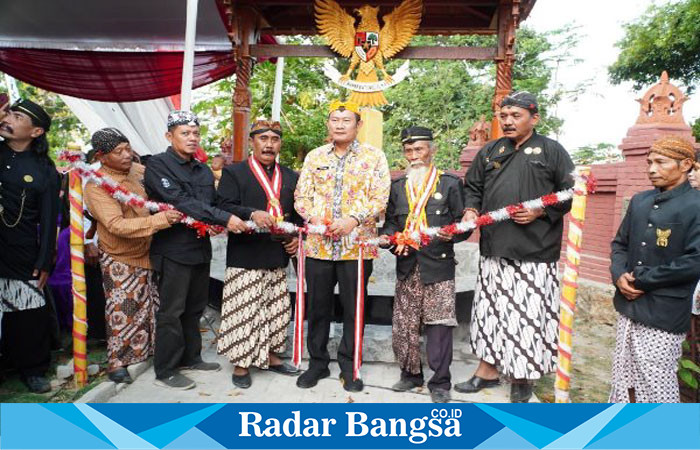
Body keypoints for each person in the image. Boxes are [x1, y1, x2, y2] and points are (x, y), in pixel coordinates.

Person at [458, 91, 575, 402]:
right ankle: (487, 371)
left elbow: (571, 193)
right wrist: (471, 209)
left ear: (534, 118)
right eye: (504, 116)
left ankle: (523, 377)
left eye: (515, 116)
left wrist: (541, 211)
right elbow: (473, 187)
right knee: (489, 313)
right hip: (494, 247)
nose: (507, 121)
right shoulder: (490, 150)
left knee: (526, 316)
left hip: (535, 251)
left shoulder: (552, 150)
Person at [144, 110, 248, 390]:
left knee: (194, 308)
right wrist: (222, 218)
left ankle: (192, 357)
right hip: (173, 249)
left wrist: (221, 219)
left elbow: (212, 203)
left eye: (195, 133)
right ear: (170, 136)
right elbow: (180, 201)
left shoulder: (202, 168)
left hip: (200, 249)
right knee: (172, 311)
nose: (192, 138)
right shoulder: (158, 165)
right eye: (185, 133)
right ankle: (166, 369)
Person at [294, 100, 391, 392]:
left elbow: (380, 197)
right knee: (318, 306)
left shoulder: (374, 158)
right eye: (334, 120)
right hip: (318, 246)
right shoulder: (314, 157)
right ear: (328, 124)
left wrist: (353, 219)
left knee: (353, 308)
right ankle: (317, 364)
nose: (339, 125)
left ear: (358, 125)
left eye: (346, 120)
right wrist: (313, 217)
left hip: (356, 247)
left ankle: (350, 367)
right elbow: (301, 196)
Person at [84, 128, 181, 384]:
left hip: (152, 250)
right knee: (123, 310)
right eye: (119, 152)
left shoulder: (140, 172)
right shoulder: (96, 185)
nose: (128, 155)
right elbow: (115, 225)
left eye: (128, 148)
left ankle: (148, 353)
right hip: (120, 255)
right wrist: (160, 220)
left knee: (151, 306)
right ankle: (117, 362)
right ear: (101, 156)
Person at [609, 136, 700, 403]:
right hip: (628, 305)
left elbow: (695, 260)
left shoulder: (696, 205)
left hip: (664, 311)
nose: (651, 168)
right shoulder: (640, 201)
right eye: (649, 162)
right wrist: (618, 275)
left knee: (656, 381)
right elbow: (619, 244)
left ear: (685, 165)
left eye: (661, 162)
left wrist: (642, 281)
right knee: (623, 379)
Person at [379, 126, 466, 403]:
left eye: (419, 149)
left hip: (438, 265)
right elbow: (393, 221)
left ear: (432, 150)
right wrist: (388, 238)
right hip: (407, 264)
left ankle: (440, 382)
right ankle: (410, 374)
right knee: (404, 323)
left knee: (439, 324)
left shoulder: (450, 183)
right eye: (408, 151)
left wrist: (454, 232)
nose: (414, 155)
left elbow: (464, 222)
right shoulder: (397, 186)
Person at [216, 120, 301, 388]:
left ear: (280, 144)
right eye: (263, 138)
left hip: (277, 254)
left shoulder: (290, 175)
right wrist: (251, 213)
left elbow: (297, 215)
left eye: (274, 139)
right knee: (244, 309)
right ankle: (241, 364)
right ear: (252, 142)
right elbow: (222, 205)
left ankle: (273, 356)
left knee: (276, 308)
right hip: (245, 254)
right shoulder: (235, 173)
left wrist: (295, 238)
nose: (268, 144)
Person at [0, 99, 59, 393]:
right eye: (9, 112)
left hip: (21, 248)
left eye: (17, 115)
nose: (8, 118)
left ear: (36, 132)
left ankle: (33, 370)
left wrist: (45, 259)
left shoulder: (44, 168)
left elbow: (50, 219)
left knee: (28, 311)